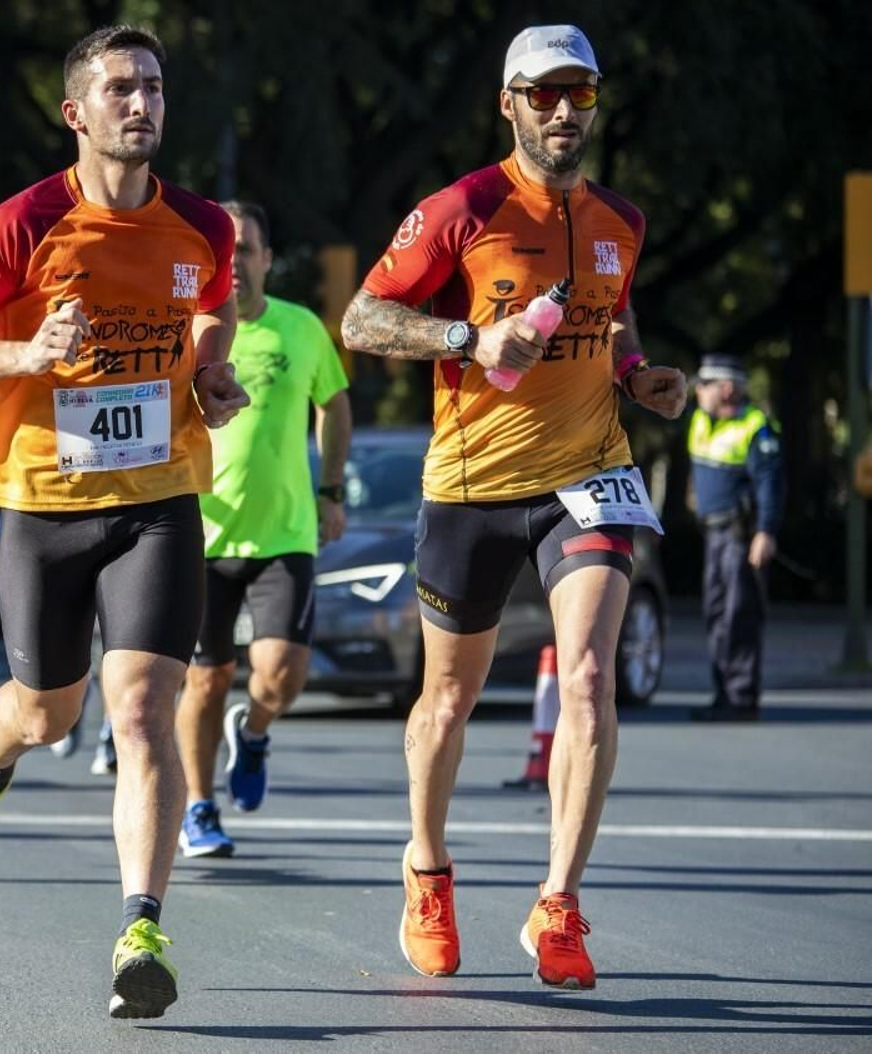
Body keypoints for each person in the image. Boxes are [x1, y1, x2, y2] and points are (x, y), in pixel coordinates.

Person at [0, 25, 246, 1019]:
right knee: (49, 711)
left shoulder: (203, 227)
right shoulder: (23, 223)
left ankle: (142, 926)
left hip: (159, 501)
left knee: (140, 713)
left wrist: (209, 369)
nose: (141, 105)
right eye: (121, 90)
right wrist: (21, 358)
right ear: (77, 113)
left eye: (155, 88)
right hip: (42, 501)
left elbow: (209, 306)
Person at [340, 25, 687, 990]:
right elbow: (361, 318)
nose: (564, 111)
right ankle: (426, 868)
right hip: (470, 488)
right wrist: (468, 335)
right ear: (510, 105)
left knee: (585, 680)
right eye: (544, 95)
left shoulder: (623, 219)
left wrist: (635, 374)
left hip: (589, 476)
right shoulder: (462, 208)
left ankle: (559, 904)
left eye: (580, 93)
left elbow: (612, 309)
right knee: (446, 699)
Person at [175, 200, 352, 858]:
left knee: (278, 673)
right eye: (223, 252)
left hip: (283, 532)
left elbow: (334, 407)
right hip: (198, 532)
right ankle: (199, 807)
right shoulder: (186, 331)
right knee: (204, 678)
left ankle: (252, 731)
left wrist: (332, 487)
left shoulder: (301, 328)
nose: (235, 263)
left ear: (268, 260)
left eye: (245, 249)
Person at [687, 354, 783, 722]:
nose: (699, 393)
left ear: (725, 388)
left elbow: (771, 486)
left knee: (739, 614)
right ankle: (723, 694)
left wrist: (766, 533)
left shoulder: (756, 427)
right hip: (713, 535)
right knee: (715, 615)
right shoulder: (700, 420)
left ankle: (741, 699)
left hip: (741, 537)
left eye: (705, 386)